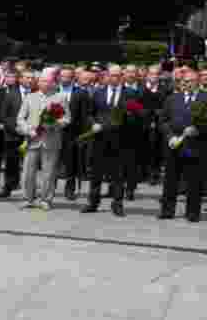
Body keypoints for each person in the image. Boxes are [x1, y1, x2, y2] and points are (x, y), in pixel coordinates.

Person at [159, 70, 207, 222]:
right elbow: (163, 120)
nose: (187, 84)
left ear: (198, 81)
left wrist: (198, 129)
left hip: (195, 145)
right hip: (174, 145)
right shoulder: (172, 98)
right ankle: (167, 210)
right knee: (170, 179)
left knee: (194, 181)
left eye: (190, 81)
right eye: (184, 81)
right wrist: (170, 136)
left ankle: (192, 212)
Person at [17, 72, 71, 210]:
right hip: (32, 140)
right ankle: (28, 198)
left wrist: (54, 124)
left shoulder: (60, 98)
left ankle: (46, 200)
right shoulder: (30, 97)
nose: (45, 84)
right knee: (28, 172)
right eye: (42, 81)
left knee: (49, 172)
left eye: (48, 81)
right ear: (38, 82)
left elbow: (67, 119)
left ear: (53, 83)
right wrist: (29, 130)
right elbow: (20, 119)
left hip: (51, 140)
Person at [81, 65, 130, 217]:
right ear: (107, 76)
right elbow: (89, 114)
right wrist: (93, 123)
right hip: (99, 138)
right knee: (96, 172)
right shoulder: (98, 93)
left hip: (119, 139)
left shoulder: (130, 94)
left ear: (122, 77)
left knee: (118, 174)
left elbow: (136, 116)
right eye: (111, 75)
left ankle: (117, 203)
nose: (114, 78)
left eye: (117, 75)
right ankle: (93, 202)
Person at [55, 67, 87, 201]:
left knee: (71, 163)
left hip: (72, 133)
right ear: (59, 78)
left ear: (73, 78)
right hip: (54, 132)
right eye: (63, 76)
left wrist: (83, 135)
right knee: (52, 161)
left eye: (68, 77)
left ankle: (70, 189)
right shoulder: (53, 91)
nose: (65, 79)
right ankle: (50, 187)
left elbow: (84, 116)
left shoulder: (80, 93)